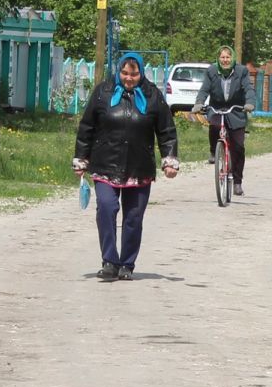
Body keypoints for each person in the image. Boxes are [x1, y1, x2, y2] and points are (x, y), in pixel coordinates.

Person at [73, 53, 179, 280]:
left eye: (134, 74)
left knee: (133, 217)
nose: (129, 78)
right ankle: (109, 261)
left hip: (139, 168)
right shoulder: (103, 93)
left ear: (141, 73)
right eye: (124, 73)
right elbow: (87, 128)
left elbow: (166, 131)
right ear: (118, 71)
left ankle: (127, 264)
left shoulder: (153, 96)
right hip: (105, 165)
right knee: (107, 207)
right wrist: (82, 158)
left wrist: (169, 160)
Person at [194, 45, 251, 194]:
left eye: (228, 57)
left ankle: (237, 182)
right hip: (217, 108)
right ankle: (214, 151)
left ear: (232, 58)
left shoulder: (241, 71)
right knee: (214, 126)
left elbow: (248, 89)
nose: (225, 60)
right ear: (218, 59)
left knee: (238, 147)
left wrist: (249, 103)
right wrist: (199, 103)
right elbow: (204, 89)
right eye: (222, 57)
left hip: (236, 110)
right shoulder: (212, 71)